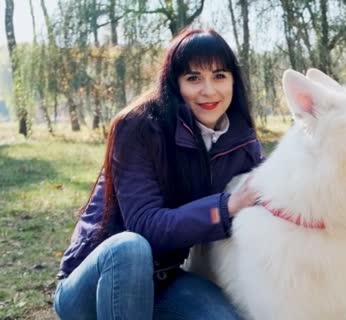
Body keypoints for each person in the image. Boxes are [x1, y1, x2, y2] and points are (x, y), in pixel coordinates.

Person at [53, 28, 263, 320]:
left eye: (219, 76)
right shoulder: (138, 127)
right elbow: (145, 226)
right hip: (94, 283)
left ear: (233, 81)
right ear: (174, 84)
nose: (209, 90)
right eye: (193, 78)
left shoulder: (240, 140)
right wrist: (225, 208)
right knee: (131, 247)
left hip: (163, 281)